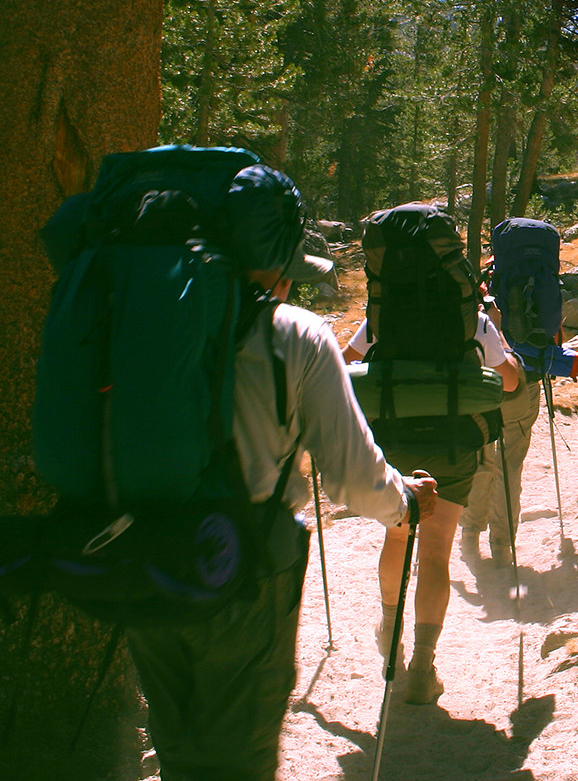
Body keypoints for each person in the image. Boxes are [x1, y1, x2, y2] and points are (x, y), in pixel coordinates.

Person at [123, 168, 439, 781]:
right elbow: (351, 479)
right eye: (289, 264)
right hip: (245, 568)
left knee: (178, 745)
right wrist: (405, 501)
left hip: (139, 557)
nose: (292, 279)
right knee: (238, 758)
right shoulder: (295, 334)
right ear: (270, 262)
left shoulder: (140, 324)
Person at [342, 303, 519, 704]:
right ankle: (423, 666)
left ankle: (390, 630)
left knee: (398, 534)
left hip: (394, 440)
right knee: (437, 552)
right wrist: (502, 344)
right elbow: (508, 383)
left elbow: (344, 365)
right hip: (454, 444)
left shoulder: (383, 314)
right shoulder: (473, 320)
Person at [460, 299, 544, 567]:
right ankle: (502, 544)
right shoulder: (485, 322)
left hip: (468, 394)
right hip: (515, 388)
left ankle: (470, 536)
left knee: (479, 461)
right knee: (509, 465)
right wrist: (497, 328)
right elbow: (510, 379)